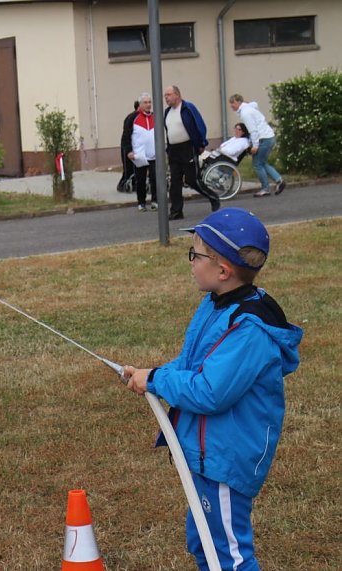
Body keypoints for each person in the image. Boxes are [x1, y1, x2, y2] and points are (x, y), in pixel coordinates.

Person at [123, 208, 303, 571]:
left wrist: (156, 380)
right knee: (203, 538)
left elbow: (209, 391)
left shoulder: (248, 329)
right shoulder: (217, 304)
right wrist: (153, 374)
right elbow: (193, 363)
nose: (190, 262)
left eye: (196, 254)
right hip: (208, 453)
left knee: (229, 554)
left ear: (223, 271)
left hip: (226, 458)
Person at [163, 85, 220, 220]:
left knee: (192, 180)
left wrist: (201, 143)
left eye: (169, 95)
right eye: (165, 96)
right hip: (174, 150)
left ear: (177, 95)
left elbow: (199, 125)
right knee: (175, 182)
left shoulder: (188, 108)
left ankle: (213, 197)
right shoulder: (167, 112)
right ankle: (176, 211)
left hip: (187, 148)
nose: (166, 98)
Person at [229, 94, 286, 198]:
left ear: (238, 102)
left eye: (233, 103)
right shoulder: (248, 108)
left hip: (263, 138)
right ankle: (279, 181)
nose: (231, 105)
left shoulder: (245, 113)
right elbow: (254, 104)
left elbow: (253, 131)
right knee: (262, 163)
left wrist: (255, 145)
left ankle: (265, 188)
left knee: (257, 164)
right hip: (268, 136)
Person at [127, 93, 157, 212]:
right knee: (140, 180)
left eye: (149, 102)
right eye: (145, 102)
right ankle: (141, 202)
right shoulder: (132, 118)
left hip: (154, 155)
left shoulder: (156, 117)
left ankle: (155, 201)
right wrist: (129, 151)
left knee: (155, 179)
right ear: (140, 105)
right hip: (139, 155)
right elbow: (126, 136)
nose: (148, 105)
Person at [117, 100, 141, 192]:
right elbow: (127, 133)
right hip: (130, 145)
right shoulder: (133, 117)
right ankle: (127, 183)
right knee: (130, 168)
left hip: (130, 145)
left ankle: (127, 183)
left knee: (130, 168)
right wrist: (129, 149)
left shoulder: (130, 116)